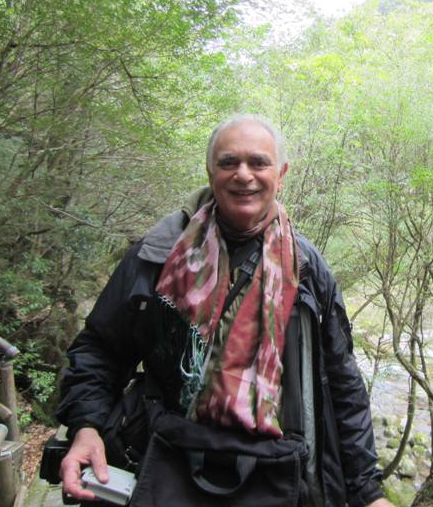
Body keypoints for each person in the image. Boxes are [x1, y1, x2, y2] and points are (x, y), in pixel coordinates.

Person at [56, 114, 393, 507]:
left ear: (280, 174)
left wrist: (367, 490)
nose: (243, 175)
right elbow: (100, 349)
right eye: (229, 162)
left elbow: (341, 382)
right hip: (166, 459)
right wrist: (87, 426)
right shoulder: (157, 254)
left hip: (278, 473)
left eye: (258, 163)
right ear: (210, 170)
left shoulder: (306, 268)